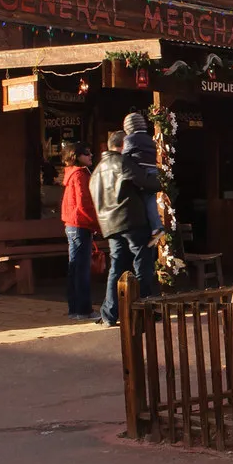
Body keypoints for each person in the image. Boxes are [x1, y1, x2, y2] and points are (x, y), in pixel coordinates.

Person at [90, 130, 161, 327]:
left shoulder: (97, 170)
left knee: (117, 268)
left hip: (110, 225)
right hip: (132, 220)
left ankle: (109, 314)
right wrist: (161, 181)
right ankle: (144, 310)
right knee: (142, 265)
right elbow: (146, 183)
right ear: (123, 145)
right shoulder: (122, 162)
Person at [61, 142, 100, 319]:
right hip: (80, 225)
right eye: (87, 153)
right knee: (81, 270)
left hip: (73, 225)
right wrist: (96, 224)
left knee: (75, 268)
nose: (91, 155)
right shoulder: (80, 175)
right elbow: (84, 203)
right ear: (76, 156)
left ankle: (75, 309)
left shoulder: (72, 174)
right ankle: (83, 310)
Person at [122, 112, 164, 247]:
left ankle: (156, 228)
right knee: (151, 199)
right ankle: (156, 226)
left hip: (143, 170)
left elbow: (125, 156)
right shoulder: (149, 138)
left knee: (145, 198)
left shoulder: (130, 139)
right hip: (153, 171)